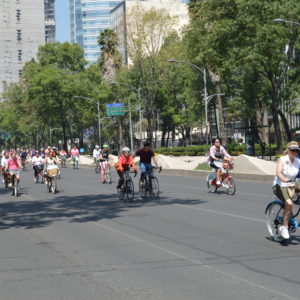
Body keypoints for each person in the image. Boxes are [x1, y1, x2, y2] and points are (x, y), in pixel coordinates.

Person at [273, 141, 300, 239]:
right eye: (292, 150)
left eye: (296, 150)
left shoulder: (298, 161)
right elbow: (278, 172)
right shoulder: (282, 160)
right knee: (289, 203)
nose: (294, 152)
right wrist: (284, 179)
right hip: (280, 185)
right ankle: (284, 227)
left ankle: (290, 214)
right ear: (288, 150)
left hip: (292, 184)